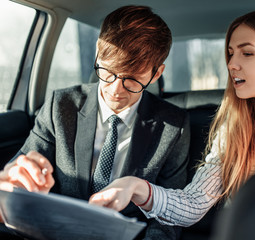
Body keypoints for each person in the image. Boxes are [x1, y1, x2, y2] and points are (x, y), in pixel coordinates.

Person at [88, 10, 255, 227]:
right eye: (230, 53)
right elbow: (192, 205)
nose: (231, 64)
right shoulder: (234, 128)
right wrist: (135, 186)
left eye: (247, 53)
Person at [0, 5, 190, 240]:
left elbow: (168, 217)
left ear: (156, 73)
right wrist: (14, 184)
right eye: (108, 72)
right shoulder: (60, 105)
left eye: (132, 79)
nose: (115, 90)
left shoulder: (174, 126)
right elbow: (18, 176)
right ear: (98, 56)